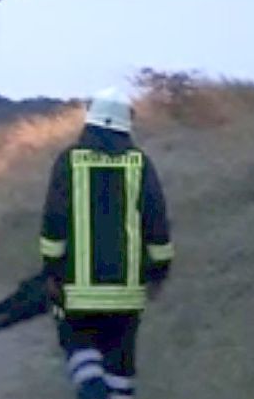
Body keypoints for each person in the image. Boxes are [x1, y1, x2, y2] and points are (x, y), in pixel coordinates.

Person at [39, 87, 175, 399]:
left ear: (91, 120)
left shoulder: (68, 162)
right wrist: (159, 271)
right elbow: (157, 223)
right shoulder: (140, 164)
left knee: (78, 346)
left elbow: (53, 223)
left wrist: (52, 270)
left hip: (76, 290)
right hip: (127, 292)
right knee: (121, 366)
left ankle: (91, 388)